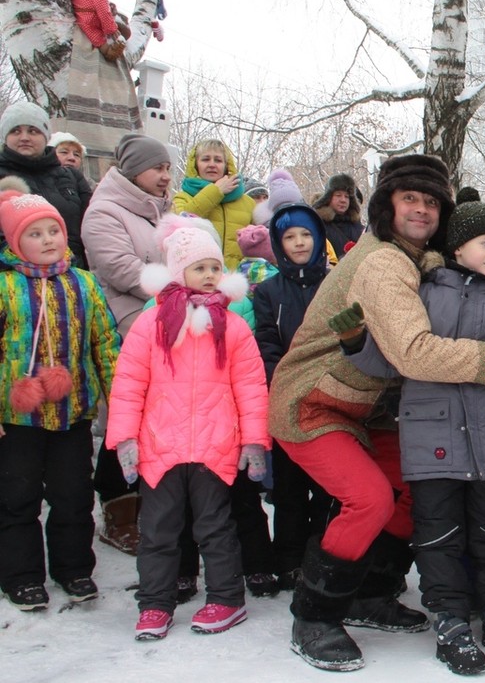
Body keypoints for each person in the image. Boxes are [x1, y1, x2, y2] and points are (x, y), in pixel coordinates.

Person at [268, 154, 485, 672]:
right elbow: (414, 351)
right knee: (370, 500)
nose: (420, 210)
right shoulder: (384, 262)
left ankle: (368, 593)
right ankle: (315, 616)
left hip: (366, 408)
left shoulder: (416, 257)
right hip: (313, 402)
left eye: (430, 201)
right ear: (387, 206)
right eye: (409, 199)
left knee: (412, 490)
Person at [338, 202, 485, 674]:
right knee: (437, 535)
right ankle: (451, 621)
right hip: (430, 436)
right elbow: (395, 362)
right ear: (458, 246)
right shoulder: (420, 295)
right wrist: (358, 342)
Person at [105, 214, 269, 639]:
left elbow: (251, 385)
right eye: (200, 268)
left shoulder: (232, 325)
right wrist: (125, 437)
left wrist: (253, 440)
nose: (211, 275)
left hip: (215, 444)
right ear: (179, 272)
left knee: (215, 526)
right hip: (161, 445)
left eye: (216, 267)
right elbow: (128, 383)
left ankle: (226, 598)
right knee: (158, 530)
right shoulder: (151, 323)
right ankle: (155, 604)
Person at [0, 178, 119, 611]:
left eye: (52, 230)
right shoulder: (5, 288)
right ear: (15, 242)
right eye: (34, 233)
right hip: (18, 418)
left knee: (73, 495)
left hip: (74, 412)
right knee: (18, 496)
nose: (47, 239)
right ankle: (22, 574)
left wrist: (117, 397)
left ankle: (73, 569)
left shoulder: (84, 284)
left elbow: (105, 343)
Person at [80, 133, 175, 556]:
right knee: (127, 418)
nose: (165, 176)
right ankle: (117, 506)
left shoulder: (162, 211)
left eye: (168, 169)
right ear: (135, 169)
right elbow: (119, 268)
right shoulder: (104, 211)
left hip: (165, 322)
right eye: (159, 168)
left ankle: (153, 504)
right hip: (126, 326)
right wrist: (177, 291)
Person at [251, 199, 333, 587]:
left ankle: (320, 557)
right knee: (288, 488)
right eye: (289, 237)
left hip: (331, 400)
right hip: (286, 400)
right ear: (277, 243)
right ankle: (288, 559)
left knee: (329, 488)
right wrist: (283, 382)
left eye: (306, 235)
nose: (299, 243)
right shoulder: (268, 291)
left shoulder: (335, 283)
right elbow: (266, 342)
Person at [0, 102, 92, 267]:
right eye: (15, 131)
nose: (24, 137)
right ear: (5, 137)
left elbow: (91, 227)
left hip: (74, 277)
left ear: (46, 136)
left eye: (33, 130)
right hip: (14, 283)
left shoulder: (72, 177)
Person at [172, 139, 255, 270]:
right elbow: (182, 222)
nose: (212, 164)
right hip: (199, 280)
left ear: (227, 166)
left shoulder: (248, 203)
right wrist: (216, 192)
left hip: (238, 283)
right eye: (205, 159)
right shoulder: (183, 197)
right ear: (195, 165)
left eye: (218, 160)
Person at [313, 173, 365, 259]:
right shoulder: (318, 225)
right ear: (328, 197)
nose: (343, 200)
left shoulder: (358, 227)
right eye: (338, 195)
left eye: (347, 196)